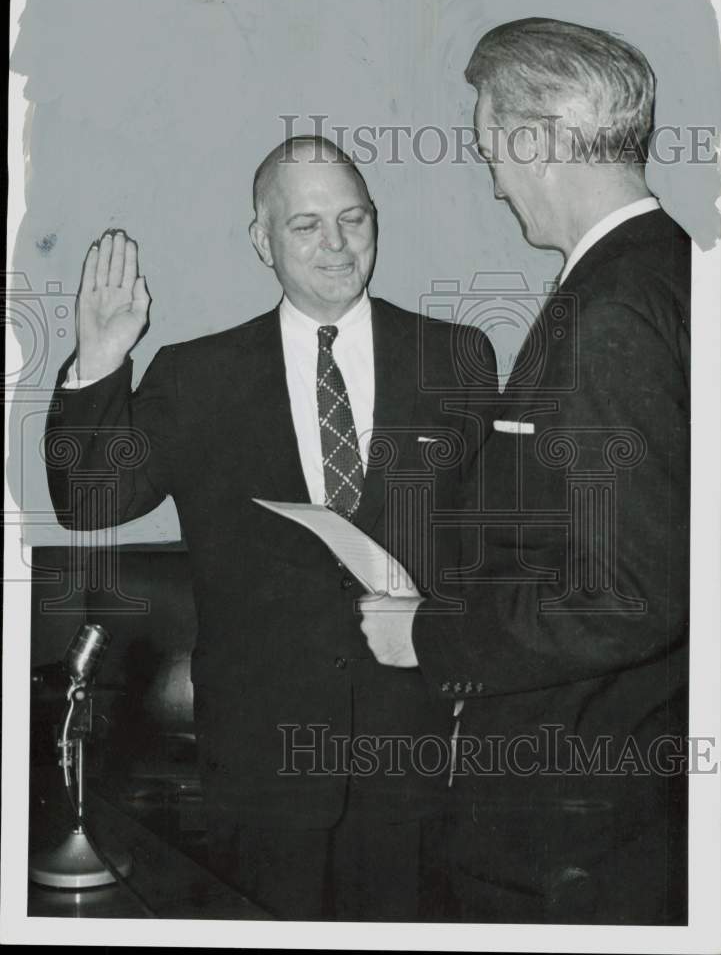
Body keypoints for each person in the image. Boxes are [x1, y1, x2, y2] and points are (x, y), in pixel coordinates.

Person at [44, 135, 498, 920]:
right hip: (259, 765)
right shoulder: (197, 376)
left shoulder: (455, 356)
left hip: (412, 758)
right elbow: (89, 501)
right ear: (262, 239)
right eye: (307, 226)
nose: (336, 245)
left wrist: (472, 681)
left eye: (354, 220)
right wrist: (98, 362)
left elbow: (482, 541)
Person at [360, 18, 690, 923]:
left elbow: (631, 592)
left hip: (577, 811)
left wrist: (426, 635)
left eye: (489, 151)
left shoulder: (609, 311)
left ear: (535, 140)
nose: (497, 183)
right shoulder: (673, 276)